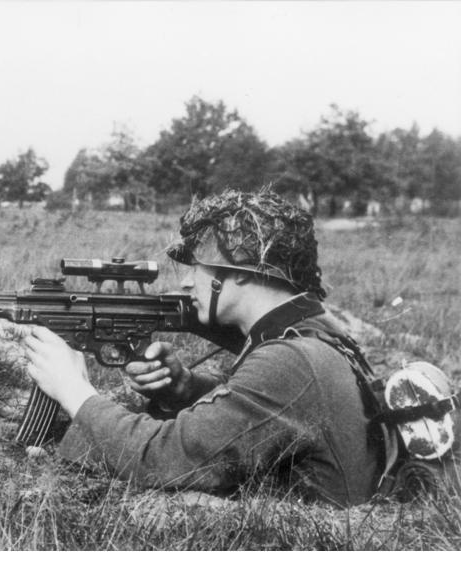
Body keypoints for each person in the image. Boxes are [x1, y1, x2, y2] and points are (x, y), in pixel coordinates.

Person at [23, 189, 388, 507]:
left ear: (242, 270)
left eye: (197, 267)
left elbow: (161, 458)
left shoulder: (289, 361)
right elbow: (273, 415)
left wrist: (73, 390)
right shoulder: (312, 330)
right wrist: (186, 388)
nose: (185, 280)